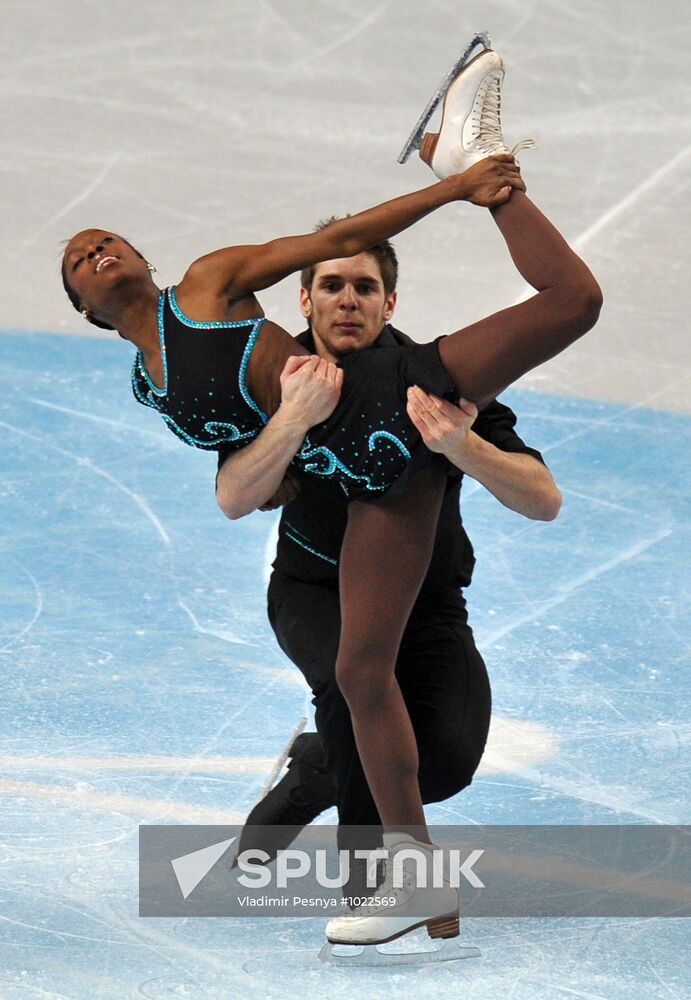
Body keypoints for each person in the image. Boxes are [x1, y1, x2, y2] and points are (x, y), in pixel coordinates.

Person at [61, 48, 601, 946]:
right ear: (82, 309)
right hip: (363, 483)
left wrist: (457, 189)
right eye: (75, 259)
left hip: (403, 399)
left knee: (573, 300)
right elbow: (241, 489)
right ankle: (408, 883)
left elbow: (331, 236)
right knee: (356, 675)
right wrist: (290, 425)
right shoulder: (151, 386)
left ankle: (462, 153)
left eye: (104, 238)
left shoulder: (205, 285)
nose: (91, 248)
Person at [224, 223, 562, 904]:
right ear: (305, 301)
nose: (347, 299)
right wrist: (290, 420)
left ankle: (315, 769)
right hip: (313, 591)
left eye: (364, 287)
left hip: (426, 601)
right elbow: (236, 495)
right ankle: (374, 893)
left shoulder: (433, 378)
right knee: (354, 702)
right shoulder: (271, 377)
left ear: (390, 304)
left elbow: (542, 499)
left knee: (439, 765)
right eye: (331, 285)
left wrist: (465, 447)